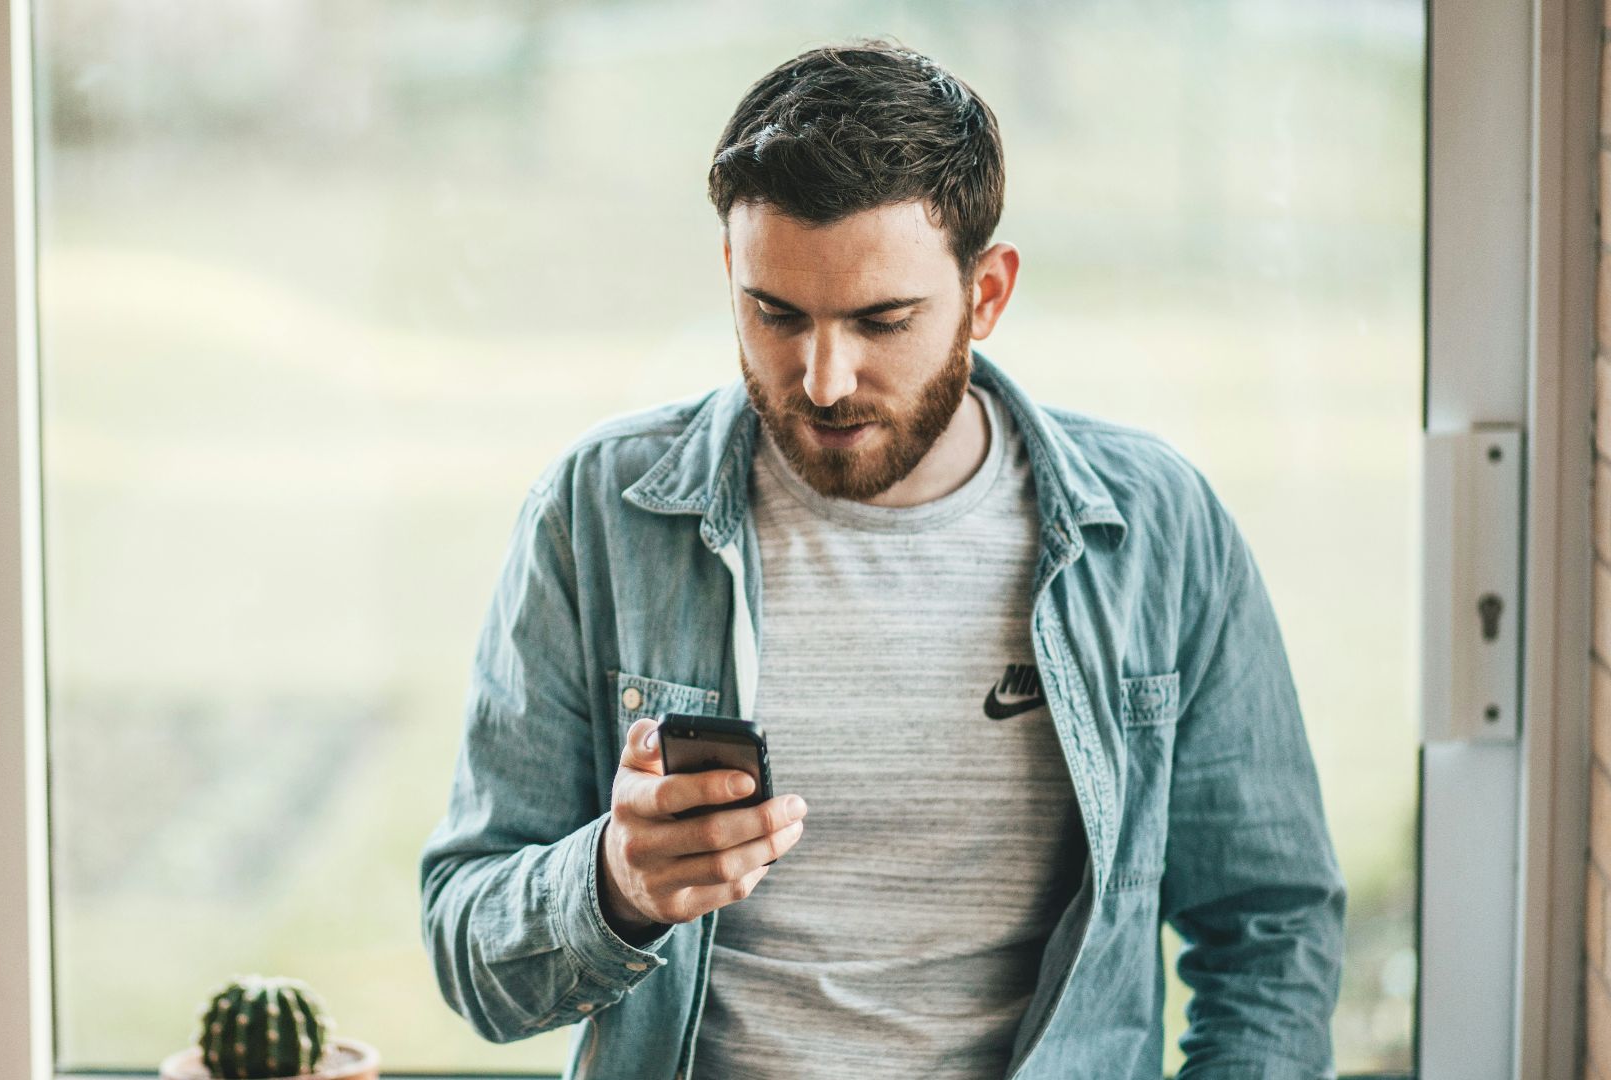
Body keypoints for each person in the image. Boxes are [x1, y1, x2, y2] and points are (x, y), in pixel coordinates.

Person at [419, 37, 1345, 1080]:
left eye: (882, 320)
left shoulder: (1156, 530)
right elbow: (471, 953)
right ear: (732, 272)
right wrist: (614, 885)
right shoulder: (598, 514)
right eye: (776, 314)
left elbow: (1270, 929)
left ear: (986, 293)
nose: (822, 379)